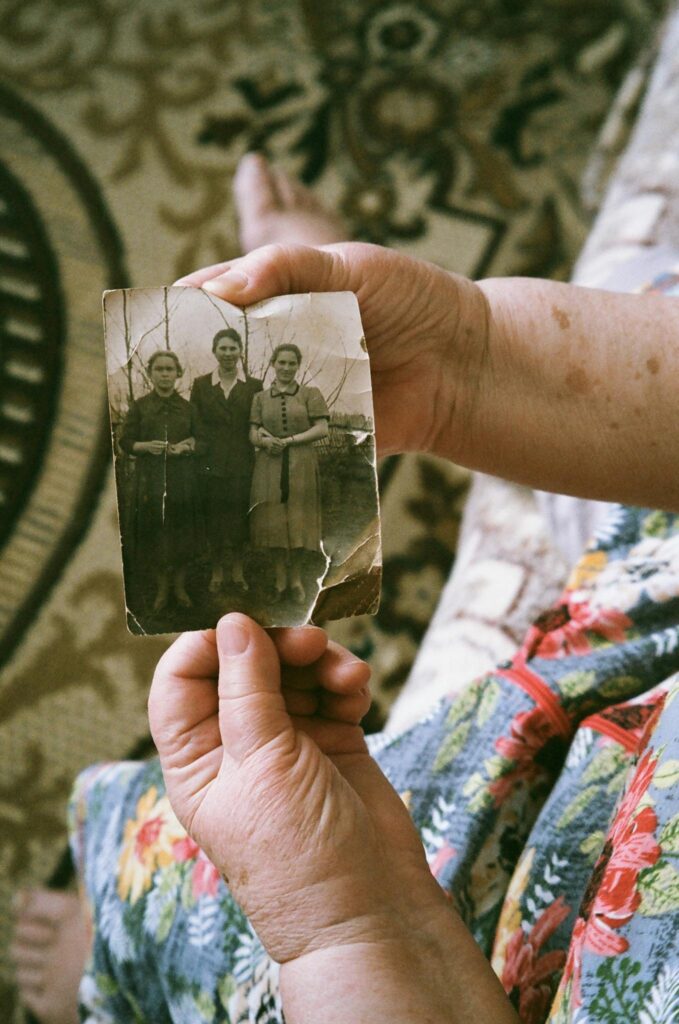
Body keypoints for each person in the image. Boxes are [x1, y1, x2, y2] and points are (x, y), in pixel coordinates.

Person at [12, 154, 679, 1024]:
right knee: (635, 297)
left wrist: (352, 922)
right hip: (637, 669)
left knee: (189, 890)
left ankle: (116, 950)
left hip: (468, 931)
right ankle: (406, 371)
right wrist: (465, 360)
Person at [118, 349, 202, 613]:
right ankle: (162, 588)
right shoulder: (140, 407)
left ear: (178, 374)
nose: (165, 374)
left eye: (169, 369)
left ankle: (179, 586)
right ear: (150, 374)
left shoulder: (189, 409)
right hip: (151, 481)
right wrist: (145, 446)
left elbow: (202, 440)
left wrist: (188, 446)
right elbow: (126, 442)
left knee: (181, 533)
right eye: (159, 369)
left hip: (182, 481)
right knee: (156, 533)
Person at [249, 343, 329, 602]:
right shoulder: (260, 398)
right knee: (274, 520)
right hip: (269, 465)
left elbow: (322, 428)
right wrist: (264, 442)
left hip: (301, 464)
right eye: (281, 362)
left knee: (298, 521)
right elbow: (253, 432)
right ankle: (279, 578)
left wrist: (292, 440)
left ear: (297, 366)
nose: (286, 368)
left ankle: (295, 579)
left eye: (291, 363)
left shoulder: (310, 394)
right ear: (273, 363)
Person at [190, 328, 262, 594]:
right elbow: (195, 424)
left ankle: (239, 571)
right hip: (211, 465)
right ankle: (218, 571)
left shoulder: (254, 386)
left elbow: (257, 422)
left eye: (233, 348)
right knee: (215, 520)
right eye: (223, 348)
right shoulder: (200, 385)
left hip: (243, 464)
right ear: (214, 351)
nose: (228, 354)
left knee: (241, 520)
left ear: (240, 351)